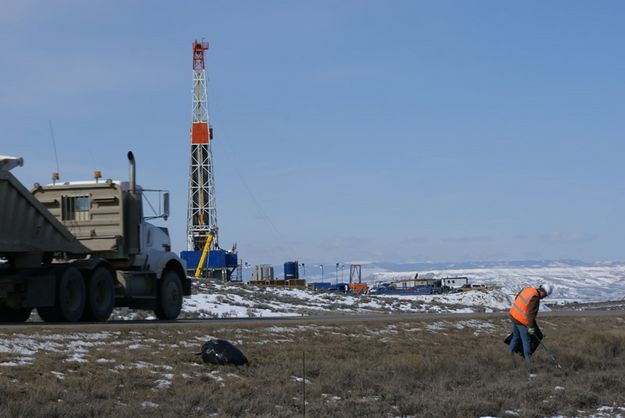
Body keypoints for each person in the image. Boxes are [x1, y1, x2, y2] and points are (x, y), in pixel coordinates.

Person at [508, 283, 553, 359]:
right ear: (543, 293)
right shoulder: (535, 297)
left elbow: (517, 298)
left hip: (513, 315)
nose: (544, 297)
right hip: (521, 321)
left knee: (516, 337)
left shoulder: (527, 290)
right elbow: (531, 315)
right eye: (545, 296)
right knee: (526, 341)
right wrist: (531, 327)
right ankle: (528, 362)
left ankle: (509, 356)